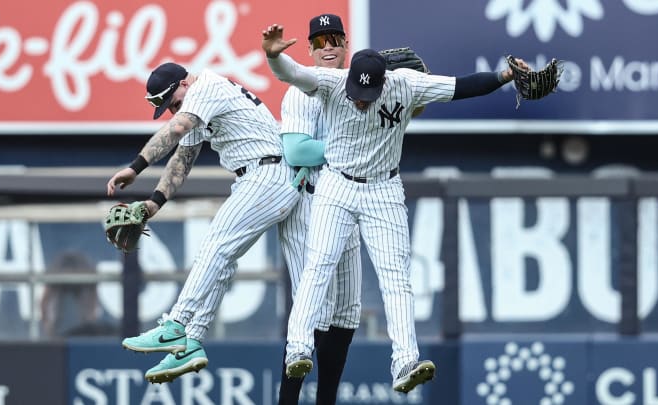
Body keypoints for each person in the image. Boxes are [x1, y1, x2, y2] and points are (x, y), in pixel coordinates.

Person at [261, 23, 530, 393]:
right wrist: (274, 54)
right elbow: (290, 72)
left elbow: (462, 86)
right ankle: (298, 350)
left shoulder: (405, 83)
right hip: (337, 185)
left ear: (383, 82)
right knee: (318, 265)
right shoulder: (332, 83)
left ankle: (405, 360)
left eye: (366, 93)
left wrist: (504, 76)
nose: (359, 98)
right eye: (355, 90)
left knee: (396, 278)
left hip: (384, 189)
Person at [106, 61, 301, 383]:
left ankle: (176, 324)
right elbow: (183, 159)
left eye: (174, 104)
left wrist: (135, 167)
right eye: (168, 109)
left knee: (214, 248)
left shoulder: (205, 87)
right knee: (220, 260)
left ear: (185, 83)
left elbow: (178, 129)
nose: (173, 113)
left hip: (268, 174)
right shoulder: (195, 105)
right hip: (264, 176)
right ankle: (191, 343)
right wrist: (154, 202)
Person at [276, 14, 362, 405]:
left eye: (335, 39)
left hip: (349, 201)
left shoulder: (362, 90)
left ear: (346, 46)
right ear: (309, 50)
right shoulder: (301, 90)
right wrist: (349, 148)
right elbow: (297, 150)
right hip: (309, 202)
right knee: (315, 309)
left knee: (347, 311)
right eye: (320, 41)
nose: (328, 47)